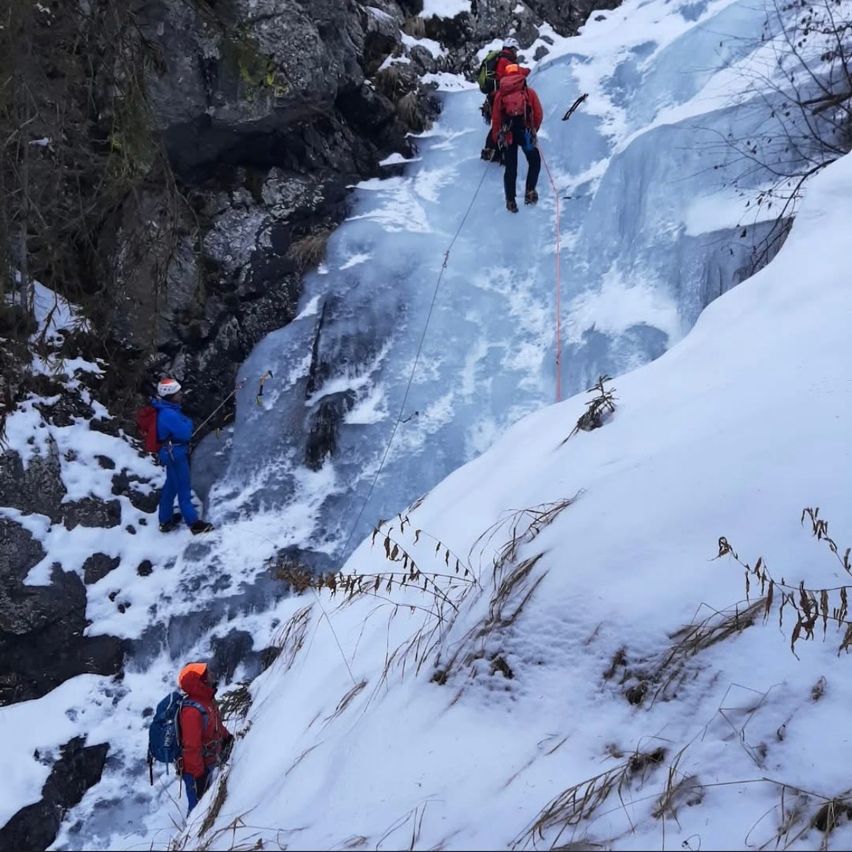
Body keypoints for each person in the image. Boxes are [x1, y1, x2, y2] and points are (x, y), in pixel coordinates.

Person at [152, 378, 214, 535]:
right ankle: (194, 524)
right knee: (183, 488)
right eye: (177, 393)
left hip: (170, 452)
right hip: (176, 455)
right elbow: (185, 433)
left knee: (171, 486)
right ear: (170, 396)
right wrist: (188, 422)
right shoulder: (169, 414)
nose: (180, 395)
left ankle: (165, 521)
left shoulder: (167, 410)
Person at [177, 662, 232, 815]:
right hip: (196, 770)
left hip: (208, 763)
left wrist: (227, 737)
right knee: (197, 811)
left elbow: (215, 726)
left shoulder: (207, 701)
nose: (212, 674)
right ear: (199, 681)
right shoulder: (191, 712)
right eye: (207, 673)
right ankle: (189, 837)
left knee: (205, 805)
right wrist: (198, 777)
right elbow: (191, 748)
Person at [490, 63, 543, 212]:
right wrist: (534, 130)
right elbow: (538, 113)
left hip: (508, 134)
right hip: (524, 131)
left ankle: (510, 200)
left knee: (511, 167)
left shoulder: (501, 94)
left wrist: (497, 137)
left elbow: (496, 117)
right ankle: (530, 191)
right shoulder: (528, 91)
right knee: (534, 160)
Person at [480, 37, 527, 163]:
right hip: (499, 96)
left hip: (493, 95)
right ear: (511, 49)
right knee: (501, 123)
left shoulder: (499, 59)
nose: (516, 53)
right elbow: (517, 73)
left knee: (498, 123)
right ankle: (494, 151)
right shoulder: (506, 61)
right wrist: (529, 71)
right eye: (515, 50)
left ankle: (492, 150)